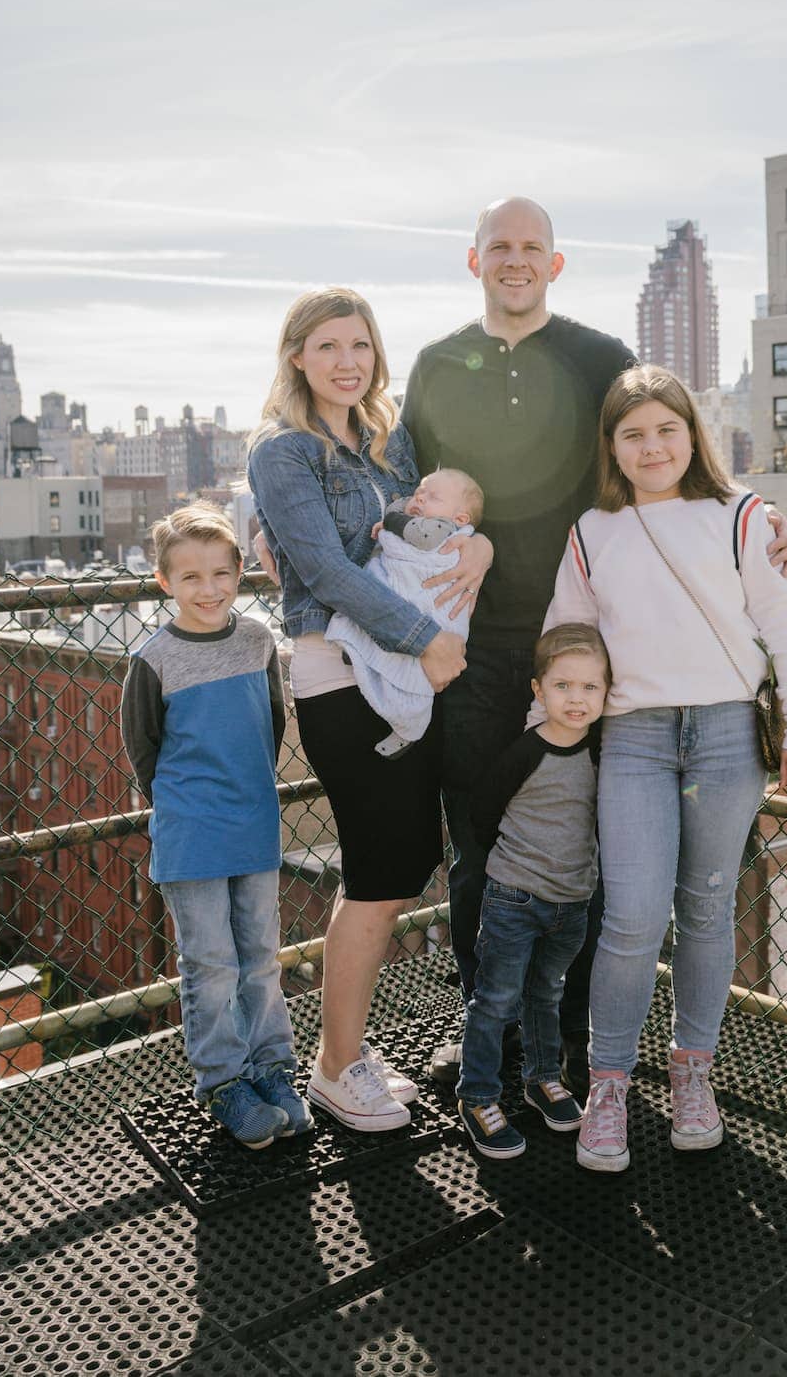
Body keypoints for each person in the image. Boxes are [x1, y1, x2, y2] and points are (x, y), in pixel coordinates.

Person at [400, 196, 787, 1088]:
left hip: (589, 658)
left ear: (555, 262)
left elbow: (666, 453)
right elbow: (397, 487)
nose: (515, 259)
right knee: (478, 847)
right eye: (498, 246)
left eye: (531, 247)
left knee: (594, 855)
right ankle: (488, 1035)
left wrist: (758, 510)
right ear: (474, 261)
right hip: (467, 649)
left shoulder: (600, 358)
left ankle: (571, 1039)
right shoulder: (432, 367)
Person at [539, 365, 787, 1174]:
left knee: (705, 907)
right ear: (613, 447)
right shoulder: (592, 532)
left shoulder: (739, 517)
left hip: (728, 734)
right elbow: (567, 640)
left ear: (691, 433)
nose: (652, 445)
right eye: (633, 434)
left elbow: (784, 624)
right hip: (632, 736)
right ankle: (608, 1083)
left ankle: (693, 1069)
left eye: (667, 428)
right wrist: (547, 732)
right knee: (630, 915)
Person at [246, 288, 477, 1132]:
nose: (349, 361)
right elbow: (327, 574)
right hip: (343, 670)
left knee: (401, 860)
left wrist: (476, 546)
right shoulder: (283, 452)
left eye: (362, 346)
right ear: (297, 355)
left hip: (407, 669)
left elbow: (427, 526)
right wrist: (429, 636)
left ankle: (343, 1050)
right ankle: (337, 1069)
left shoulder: (387, 438)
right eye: (330, 345)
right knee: (380, 870)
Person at [121, 504, 311, 1149]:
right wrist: (188, 806)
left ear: (239, 574)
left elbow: (272, 724)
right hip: (192, 834)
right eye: (192, 577)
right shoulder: (153, 659)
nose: (209, 589)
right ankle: (223, 1081)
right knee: (210, 965)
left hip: (254, 823)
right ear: (164, 582)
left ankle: (272, 1069)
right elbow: (143, 750)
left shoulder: (258, 641)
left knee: (259, 958)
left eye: (221, 573)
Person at [455, 623, 610, 1160]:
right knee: (495, 999)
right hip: (514, 899)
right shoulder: (524, 752)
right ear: (538, 690)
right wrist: (513, 862)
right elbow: (482, 812)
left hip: (572, 903)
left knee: (546, 992)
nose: (577, 698)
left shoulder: (602, 752)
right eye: (563, 686)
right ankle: (477, 1095)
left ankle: (542, 1079)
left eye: (591, 688)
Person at [325, 468, 485, 759]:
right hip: (408, 591)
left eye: (432, 496)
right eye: (420, 491)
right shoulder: (421, 520)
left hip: (434, 608)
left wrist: (389, 522)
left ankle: (409, 724)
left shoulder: (439, 531)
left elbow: (417, 536)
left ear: (460, 519)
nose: (420, 497)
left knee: (411, 676)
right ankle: (366, 658)